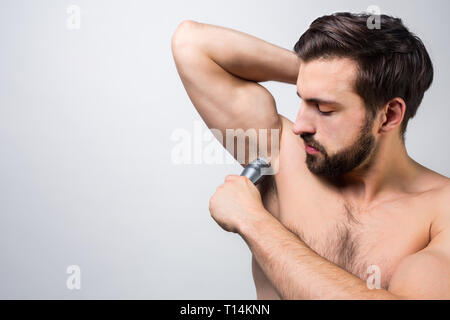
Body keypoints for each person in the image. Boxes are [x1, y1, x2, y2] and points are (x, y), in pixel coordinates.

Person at [171, 12, 450, 299]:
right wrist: (325, 75)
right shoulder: (282, 156)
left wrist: (253, 221)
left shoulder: (441, 211)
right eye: (303, 99)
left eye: (325, 109)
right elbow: (192, 44)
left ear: (389, 115)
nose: (300, 126)